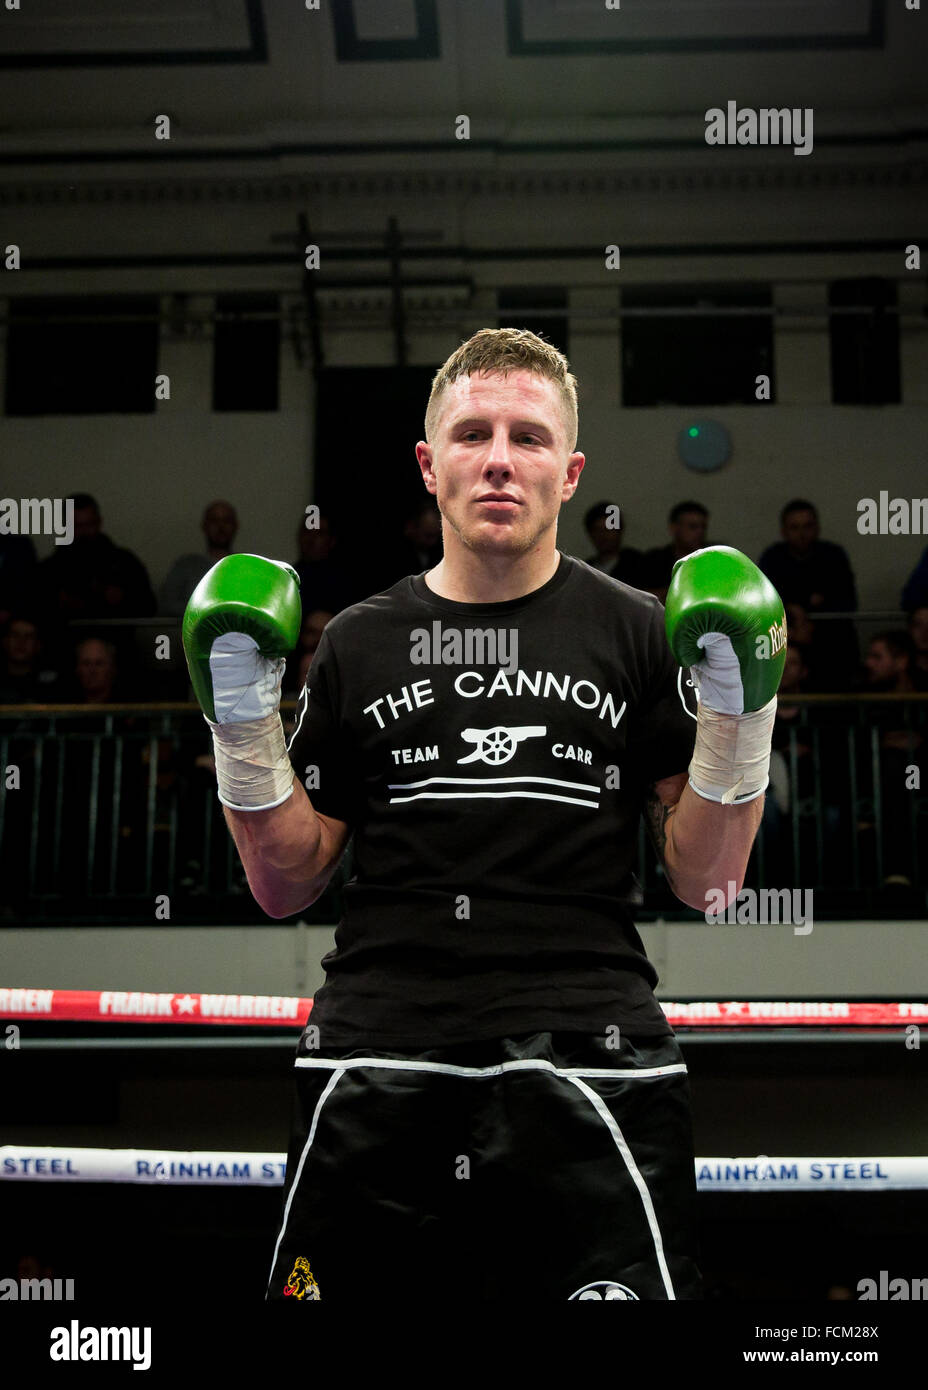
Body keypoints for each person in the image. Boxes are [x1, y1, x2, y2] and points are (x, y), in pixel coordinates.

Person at [182, 327, 784, 1301]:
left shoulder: (636, 628)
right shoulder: (361, 642)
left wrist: (737, 713)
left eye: (528, 437)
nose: (499, 458)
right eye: (472, 433)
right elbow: (282, 883)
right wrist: (241, 722)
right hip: (377, 1047)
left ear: (571, 469)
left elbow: (708, 881)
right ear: (429, 464)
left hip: (592, 1046)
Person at [758, 499, 858, 687]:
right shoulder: (773, 557)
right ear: (783, 531)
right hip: (784, 641)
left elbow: (847, 603)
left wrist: (800, 608)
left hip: (830, 644)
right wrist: (800, 608)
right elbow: (762, 603)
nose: (802, 534)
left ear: (817, 528)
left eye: (807, 526)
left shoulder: (833, 556)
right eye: (794, 528)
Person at [158, 499, 239, 616]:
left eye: (226, 521)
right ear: (205, 525)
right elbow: (166, 605)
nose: (221, 527)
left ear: (235, 525)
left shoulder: (246, 566)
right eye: (214, 521)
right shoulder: (185, 566)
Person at [639, 501, 709, 602]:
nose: (700, 532)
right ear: (674, 528)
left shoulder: (712, 560)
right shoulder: (653, 560)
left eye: (703, 527)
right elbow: (640, 598)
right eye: (693, 527)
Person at [582, 500, 645, 588]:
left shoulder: (639, 565)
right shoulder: (584, 570)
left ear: (619, 530)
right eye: (597, 530)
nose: (603, 535)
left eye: (608, 529)